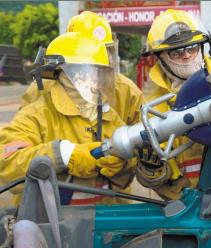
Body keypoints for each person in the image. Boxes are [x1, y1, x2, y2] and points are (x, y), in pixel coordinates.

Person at [0, 32, 135, 205]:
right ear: (61, 74)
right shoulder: (37, 115)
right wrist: (64, 154)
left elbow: (126, 180)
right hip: (49, 226)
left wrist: (123, 165)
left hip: (105, 224)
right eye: (83, 73)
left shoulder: (108, 116)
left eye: (98, 73)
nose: (92, 80)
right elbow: (7, 163)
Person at [137, 9, 211, 200]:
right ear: (160, 57)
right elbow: (160, 179)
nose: (186, 56)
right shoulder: (151, 101)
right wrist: (153, 171)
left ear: (202, 46)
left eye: (192, 48)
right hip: (184, 204)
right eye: (176, 52)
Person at [21, 11, 144, 128]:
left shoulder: (126, 89)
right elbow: (25, 129)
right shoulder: (41, 88)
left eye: (107, 50)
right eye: (97, 51)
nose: (104, 57)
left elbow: (147, 134)